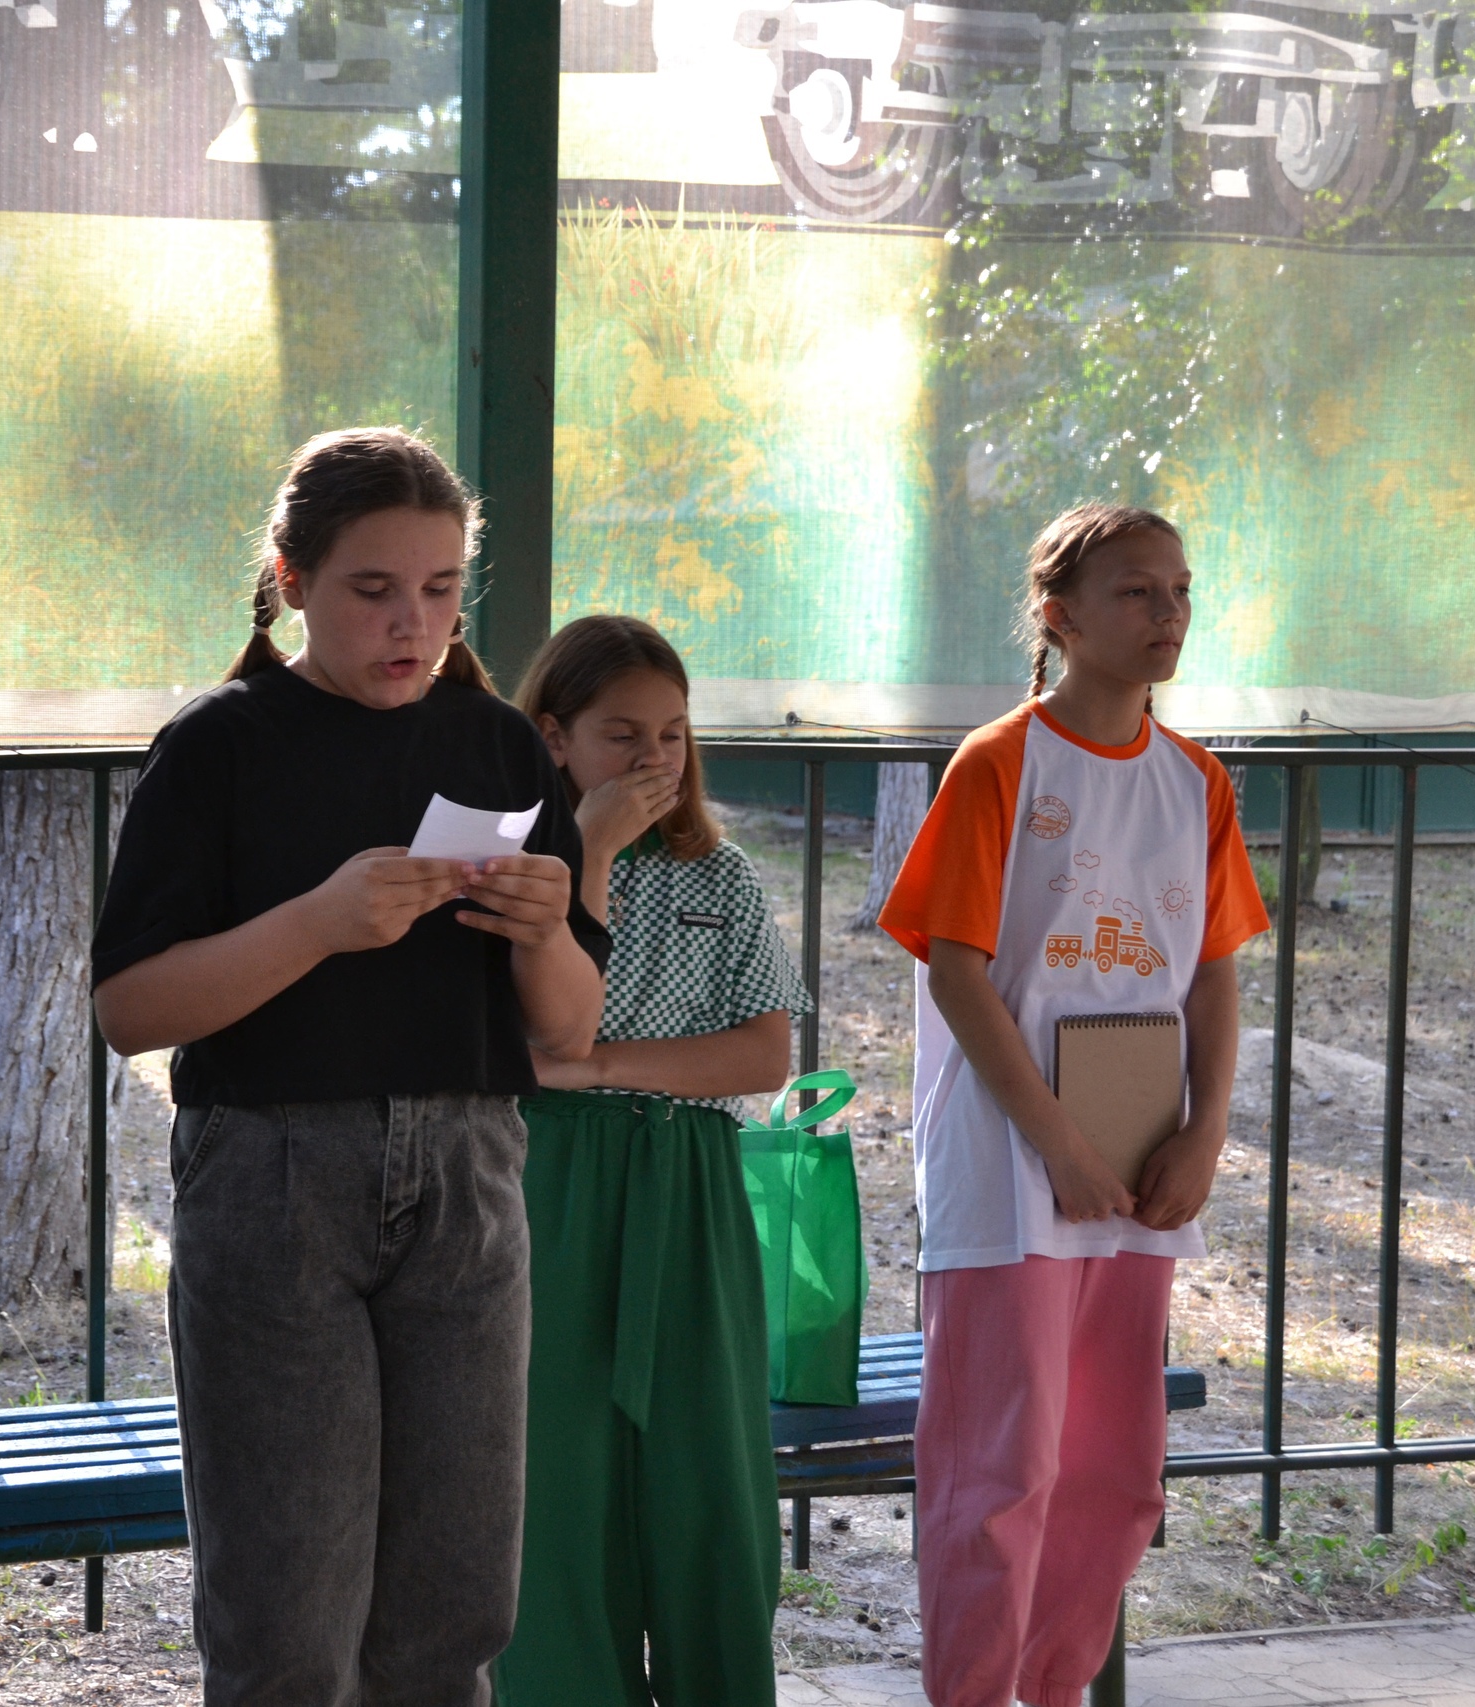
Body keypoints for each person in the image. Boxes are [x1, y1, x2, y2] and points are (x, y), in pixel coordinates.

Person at [91, 427, 611, 1706]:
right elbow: (131, 1009)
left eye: (439, 589)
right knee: (287, 1617)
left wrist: (545, 929)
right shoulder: (219, 744)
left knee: (454, 1609)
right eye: (373, 589)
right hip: (273, 1178)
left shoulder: (497, 745)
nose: (411, 623)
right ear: (291, 581)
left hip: (469, 1174)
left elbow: (569, 1029)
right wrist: (316, 924)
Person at [879, 505, 1267, 1707]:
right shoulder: (1000, 762)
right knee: (1000, 1472)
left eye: (1180, 590)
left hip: (1135, 1170)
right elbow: (956, 972)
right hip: (1011, 1172)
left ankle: (1050, 1687)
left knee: (1113, 1475)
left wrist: (1202, 1132)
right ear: (1058, 616)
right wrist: (1057, 1145)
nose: (1168, 614)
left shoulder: (1195, 780)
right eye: (1137, 592)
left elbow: (1211, 971)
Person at [495, 614, 806, 1707]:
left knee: (707, 1471)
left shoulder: (719, 874)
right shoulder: (514, 875)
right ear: (554, 737)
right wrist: (586, 852)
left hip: (689, 1184)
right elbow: (535, 1036)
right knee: (553, 1473)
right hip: (552, 1184)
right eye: (622, 734)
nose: (654, 759)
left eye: (672, 733)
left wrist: (602, 1068)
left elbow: (761, 1053)